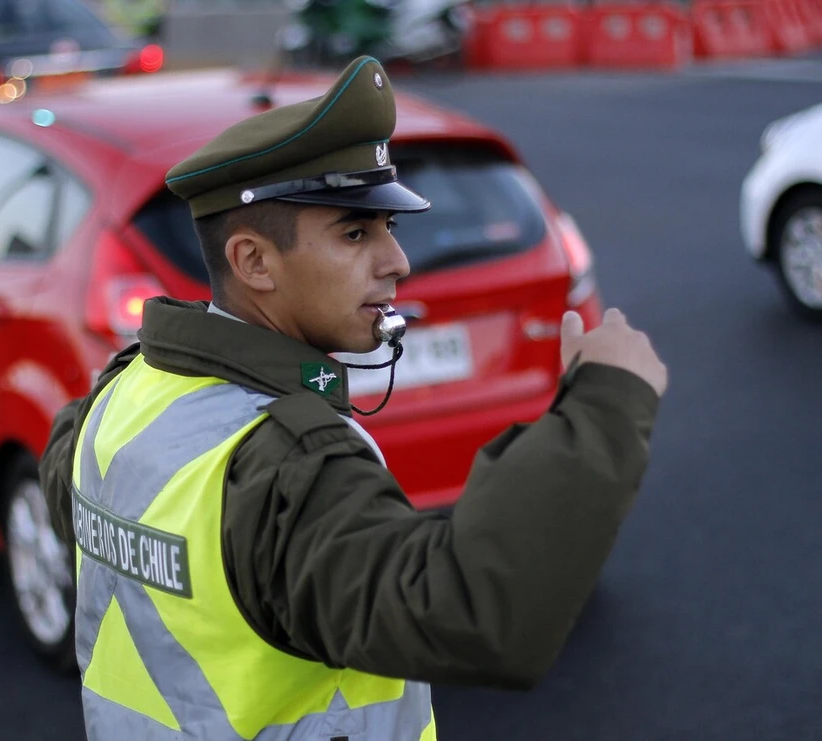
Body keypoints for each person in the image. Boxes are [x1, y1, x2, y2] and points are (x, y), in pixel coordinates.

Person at [38, 55, 667, 740]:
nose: (397, 261)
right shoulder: (287, 465)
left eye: (388, 229)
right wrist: (605, 402)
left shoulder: (119, 393)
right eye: (355, 232)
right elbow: (473, 613)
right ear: (253, 262)